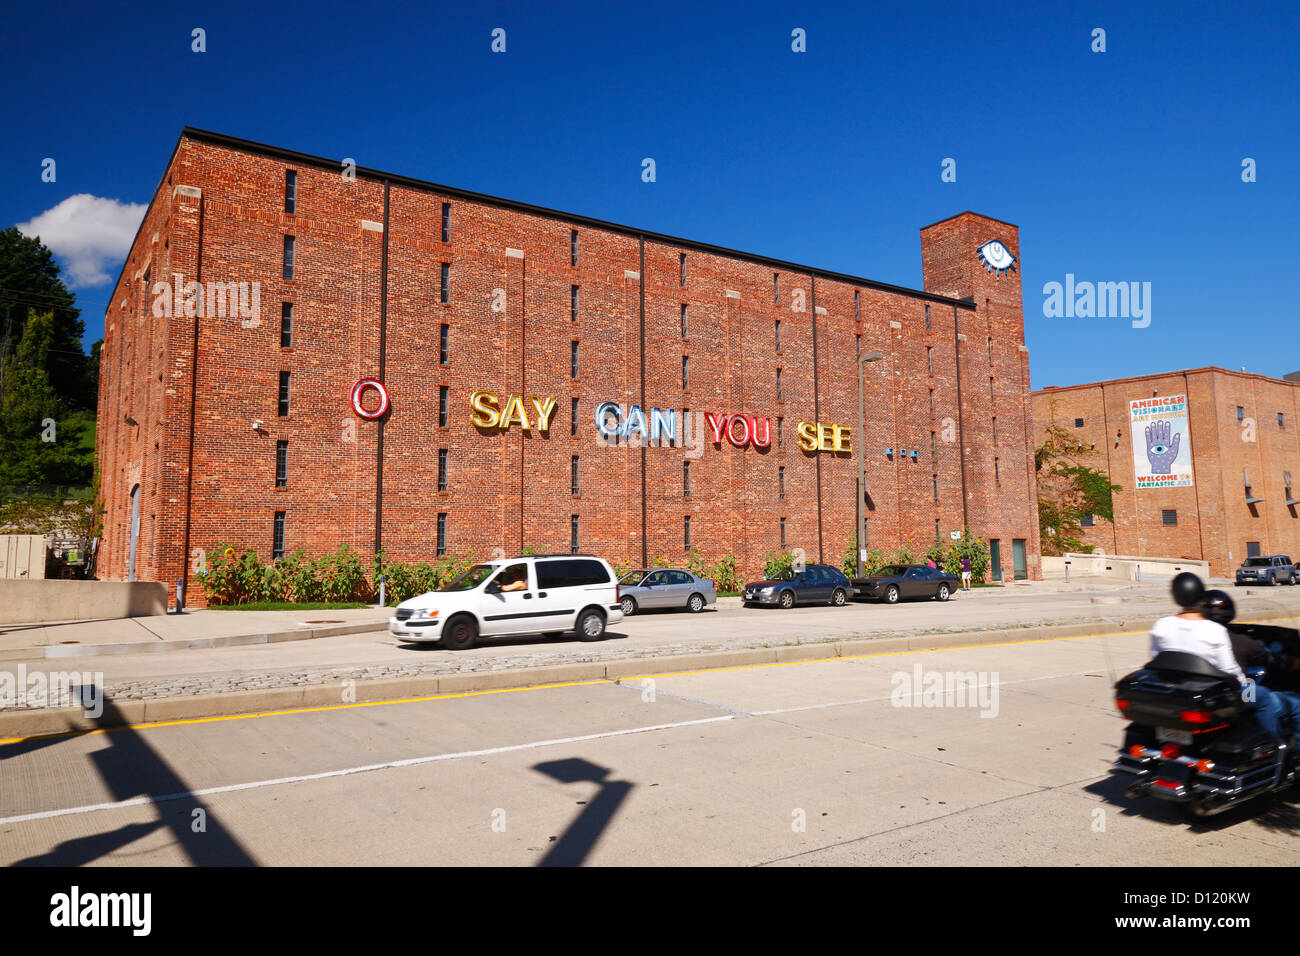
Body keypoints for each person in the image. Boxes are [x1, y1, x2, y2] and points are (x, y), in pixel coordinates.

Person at [1148, 573, 1286, 741]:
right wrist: (1244, 685)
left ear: (1175, 596)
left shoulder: (1161, 626)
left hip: (1175, 693)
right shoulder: (1214, 630)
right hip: (1213, 697)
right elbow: (1230, 671)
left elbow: (1156, 662)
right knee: (1264, 696)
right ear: (1201, 596)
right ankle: (1276, 744)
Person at [1202, 589, 1300, 742]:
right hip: (1233, 696)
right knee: (1293, 703)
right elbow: (1274, 661)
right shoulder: (1240, 642)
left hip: (1209, 696)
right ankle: (1277, 746)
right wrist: (1292, 662)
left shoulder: (1195, 638)